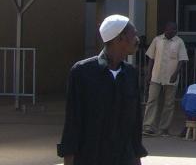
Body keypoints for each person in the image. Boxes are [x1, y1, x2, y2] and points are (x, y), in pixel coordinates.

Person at [58, 14, 147, 165]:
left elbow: (135, 124)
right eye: (134, 35)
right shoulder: (82, 72)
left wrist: (136, 158)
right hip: (91, 157)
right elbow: (73, 122)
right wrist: (68, 160)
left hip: (124, 158)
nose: (137, 40)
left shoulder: (131, 74)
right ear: (120, 38)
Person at [143, 20, 188, 137]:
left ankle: (164, 128)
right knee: (152, 100)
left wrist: (176, 73)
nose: (174, 31)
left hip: (171, 77)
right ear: (166, 29)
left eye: (175, 29)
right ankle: (148, 126)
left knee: (169, 103)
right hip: (156, 76)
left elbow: (182, 60)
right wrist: (148, 74)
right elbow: (151, 58)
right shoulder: (157, 40)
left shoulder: (179, 42)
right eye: (172, 29)